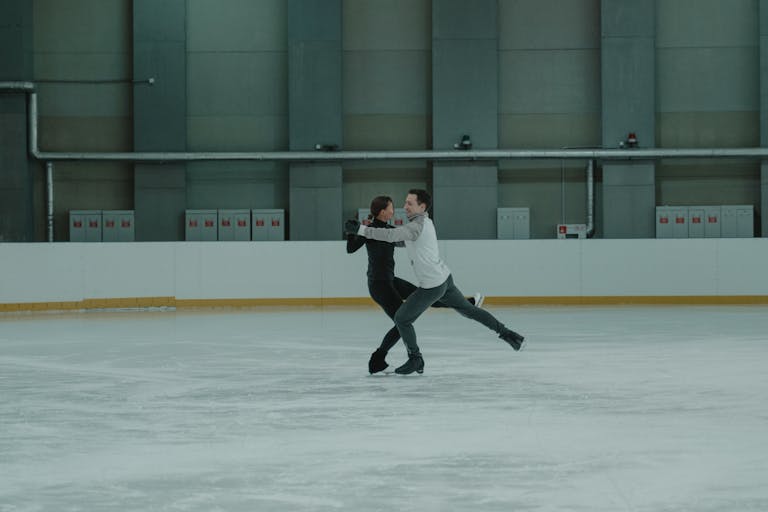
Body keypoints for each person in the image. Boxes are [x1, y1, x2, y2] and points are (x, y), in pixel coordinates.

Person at [344, 189, 525, 375]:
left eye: (409, 203)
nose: (404, 206)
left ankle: (415, 358)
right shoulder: (423, 223)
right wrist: (364, 233)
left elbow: (392, 236)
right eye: (405, 202)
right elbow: (398, 239)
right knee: (469, 311)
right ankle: (508, 334)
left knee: (402, 319)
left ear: (422, 207)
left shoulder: (416, 226)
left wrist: (361, 230)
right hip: (445, 278)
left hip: (432, 286)